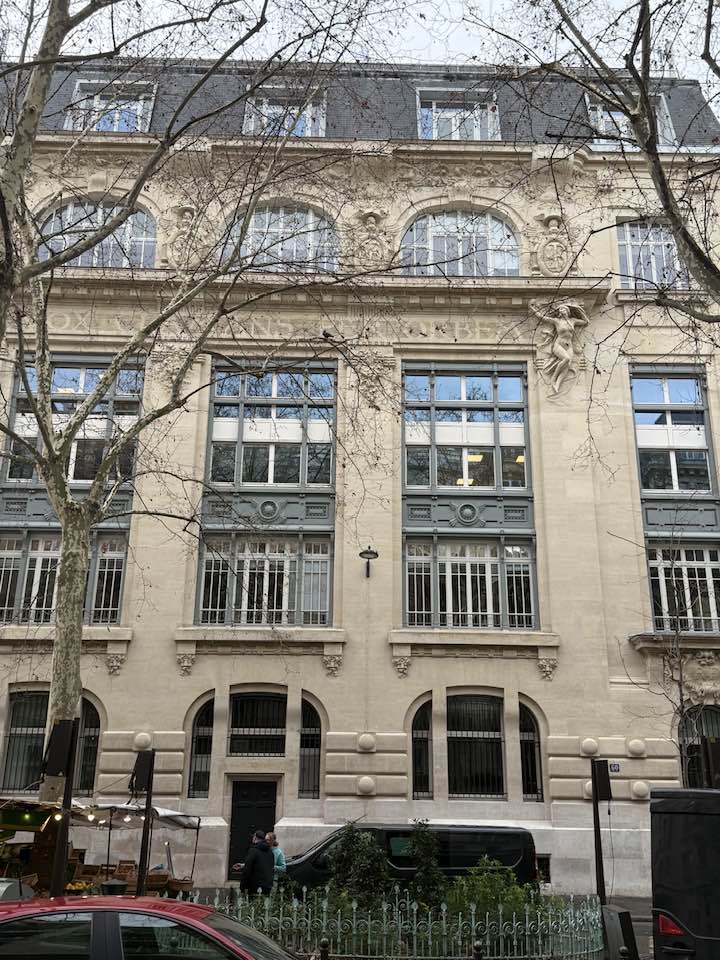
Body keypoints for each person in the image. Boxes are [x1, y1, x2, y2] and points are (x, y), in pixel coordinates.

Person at [239, 829, 274, 895]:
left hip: (255, 886)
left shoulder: (253, 851)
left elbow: (247, 869)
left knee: (253, 904)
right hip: (267, 886)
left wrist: (242, 887)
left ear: (255, 837)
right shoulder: (270, 851)